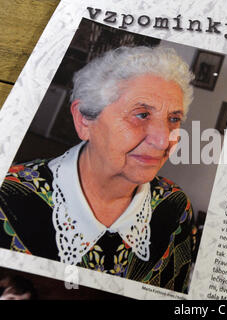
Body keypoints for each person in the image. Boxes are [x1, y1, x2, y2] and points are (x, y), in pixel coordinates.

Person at [0, 46, 196, 293]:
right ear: (84, 120)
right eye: (142, 114)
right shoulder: (8, 195)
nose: (163, 139)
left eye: (174, 119)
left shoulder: (176, 205)